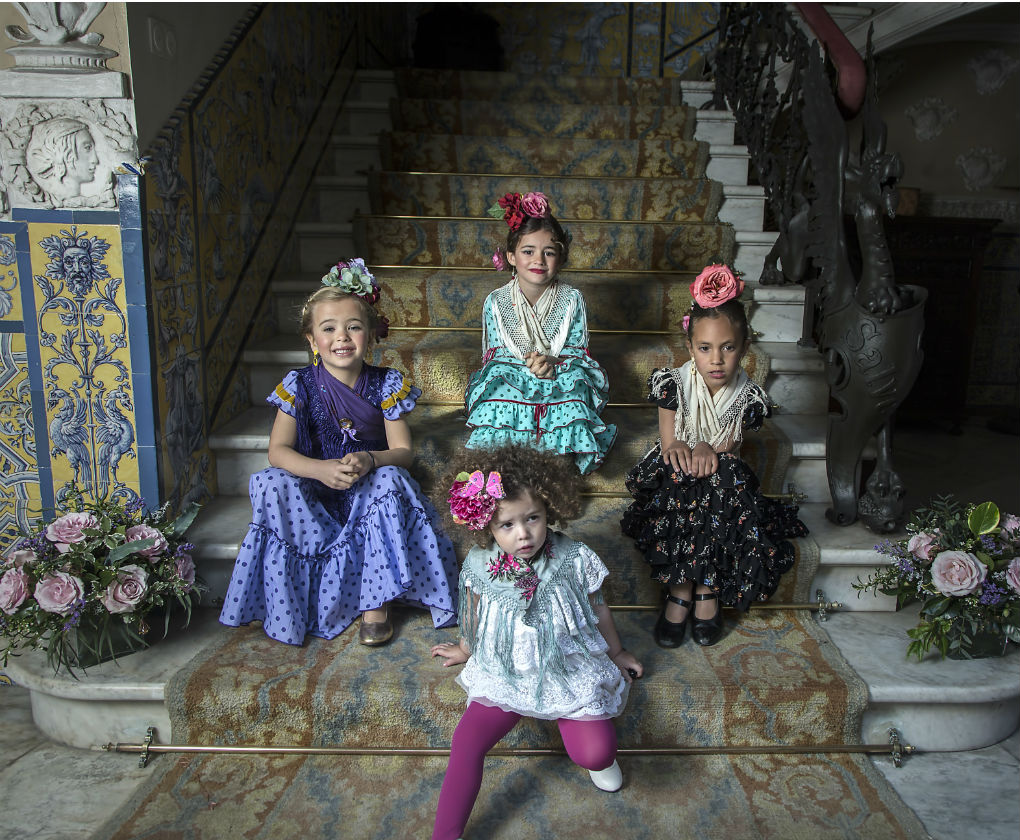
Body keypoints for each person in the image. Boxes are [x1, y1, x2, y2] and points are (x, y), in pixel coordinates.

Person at [219, 258, 458, 646]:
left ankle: (375, 604)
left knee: (392, 478)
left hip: (366, 494)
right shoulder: (299, 384)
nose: (342, 337)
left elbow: (403, 452)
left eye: (354, 327)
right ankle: (292, 602)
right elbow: (277, 451)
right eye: (328, 329)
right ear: (312, 340)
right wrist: (318, 470)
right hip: (315, 493)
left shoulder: (386, 384)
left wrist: (372, 459)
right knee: (272, 482)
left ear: (371, 335)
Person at [430, 443, 643, 840]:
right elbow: (474, 613)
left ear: (551, 510)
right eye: (506, 525)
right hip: (507, 670)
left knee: (595, 752)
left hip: (567, 667)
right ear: (485, 527)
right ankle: (446, 834)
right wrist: (465, 648)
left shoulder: (574, 557)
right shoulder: (480, 565)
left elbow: (599, 609)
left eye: (533, 518)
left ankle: (597, 758)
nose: (523, 534)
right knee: (466, 744)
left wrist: (616, 652)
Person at [620, 264, 808, 649]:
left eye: (728, 348)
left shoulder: (747, 396)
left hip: (720, 466)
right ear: (690, 349)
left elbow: (730, 443)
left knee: (724, 480)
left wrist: (709, 448)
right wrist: (689, 449)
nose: (717, 359)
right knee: (681, 480)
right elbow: (671, 443)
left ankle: (707, 588)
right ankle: (681, 590)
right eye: (705, 348)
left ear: (744, 348)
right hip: (677, 463)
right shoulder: (673, 384)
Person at [464, 191, 616, 474]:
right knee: (501, 385)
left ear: (560, 258)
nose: (539, 260)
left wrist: (552, 364)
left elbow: (575, 349)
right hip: (513, 368)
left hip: (558, 367)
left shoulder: (572, 299)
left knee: (573, 384)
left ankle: (557, 456)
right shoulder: (496, 301)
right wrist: (529, 365)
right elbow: (496, 353)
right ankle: (509, 456)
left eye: (549, 252)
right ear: (511, 256)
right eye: (528, 251)